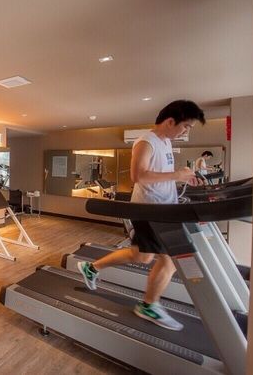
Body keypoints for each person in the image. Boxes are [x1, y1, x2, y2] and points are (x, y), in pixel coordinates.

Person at [78, 100, 205, 331]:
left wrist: (184, 178)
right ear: (170, 121)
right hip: (149, 210)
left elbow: (160, 176)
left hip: (162, 209)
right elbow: (139, 176)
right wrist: (177, 175)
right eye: (186, 126)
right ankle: (149, 305)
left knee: (142, 257)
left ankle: (91, 268)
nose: (186, 131)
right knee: (169, 260)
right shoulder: (146, 141)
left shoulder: (165, 142)